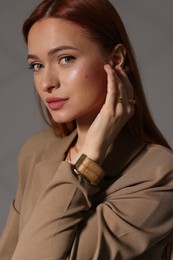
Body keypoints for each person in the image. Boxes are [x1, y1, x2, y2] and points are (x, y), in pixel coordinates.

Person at [0, 0, 173, 259]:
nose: (47, 82)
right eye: (37, 65)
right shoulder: (37, 151)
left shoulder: (157, 174)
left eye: (66, 59)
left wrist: (87, 162)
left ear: (115, 60)